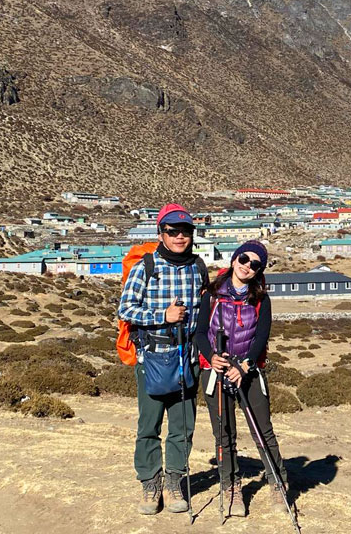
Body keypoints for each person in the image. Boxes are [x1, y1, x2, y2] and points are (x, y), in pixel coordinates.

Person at [117, 203, 206, 516]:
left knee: (183, 426)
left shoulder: (198, 266)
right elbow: (126, 310)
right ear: (161, 233)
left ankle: (174, 482)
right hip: (154, 358)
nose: (180, 236)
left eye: (186, 231)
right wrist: (162, 316)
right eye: (173, 231)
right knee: (149, 425)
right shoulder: (146, 267)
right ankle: (150, 482)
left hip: (188, 358)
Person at [195, 240, 289, 517]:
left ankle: (278, 483)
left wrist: (246, 365)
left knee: (263, 431)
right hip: (215, 370)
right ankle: (231, 487)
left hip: (249, 370)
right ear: (235, 259)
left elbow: (262, 336)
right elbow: (200, 333)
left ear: (259, 271)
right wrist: (211, 357)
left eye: (255, 264)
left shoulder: (261, 299)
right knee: (224, 434)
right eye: (244, 260)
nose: (248, 266)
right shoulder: (211, 295)